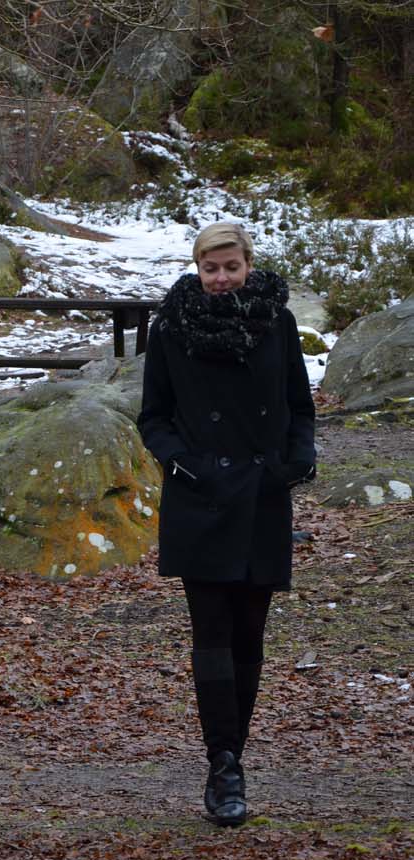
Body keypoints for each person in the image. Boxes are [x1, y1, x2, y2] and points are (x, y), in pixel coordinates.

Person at [137, 222, 316, 827]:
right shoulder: (171, 327)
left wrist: (295, 463)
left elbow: (298, 404)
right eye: (211, 269)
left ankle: (231, 753)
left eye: (230, 268)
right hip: (201, 497)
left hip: (262, 495)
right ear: (197, 268)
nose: (220, 280)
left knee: (250, 634)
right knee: (211, 630)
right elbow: (153, 416)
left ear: (248, 265)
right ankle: (224, 766)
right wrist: (184, 466)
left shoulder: (278, 322)